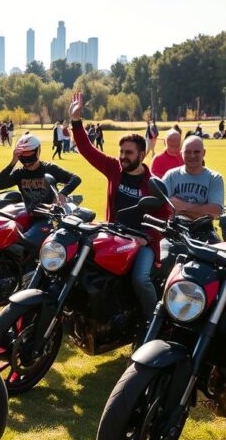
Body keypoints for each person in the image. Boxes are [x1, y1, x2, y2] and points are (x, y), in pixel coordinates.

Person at [70, 92, 168, 325]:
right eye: (121, 152)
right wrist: (76, 120)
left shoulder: (153, 183)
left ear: (142, 155)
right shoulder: (114, 168)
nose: (123, 157)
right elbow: (86, 149)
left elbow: (166, 218)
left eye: (129, 153)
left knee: (140, 279)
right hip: (113, 235)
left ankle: (153, 322)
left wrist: (148, 239)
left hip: (141, 241)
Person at [0, 134, 81, 247]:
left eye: (29, 155)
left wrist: (63, 193)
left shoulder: (49, 169)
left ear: (38, 151)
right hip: (31, 215)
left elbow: (76, 178)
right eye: (23, 156)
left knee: (26, 244)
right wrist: (12, 162)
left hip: (50, 218)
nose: (27, 161)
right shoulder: (19, 173)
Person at [162, 136, 224, 241]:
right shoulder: (171, 175)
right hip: (175, 231)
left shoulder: (214, 178)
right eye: (187, 152)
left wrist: (182, 207)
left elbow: (215, 211)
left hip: (204, 233)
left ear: (204, 153)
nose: (192, 155)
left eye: (196, 152)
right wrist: (200, 210)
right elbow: (163, 206)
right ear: (181, 153)